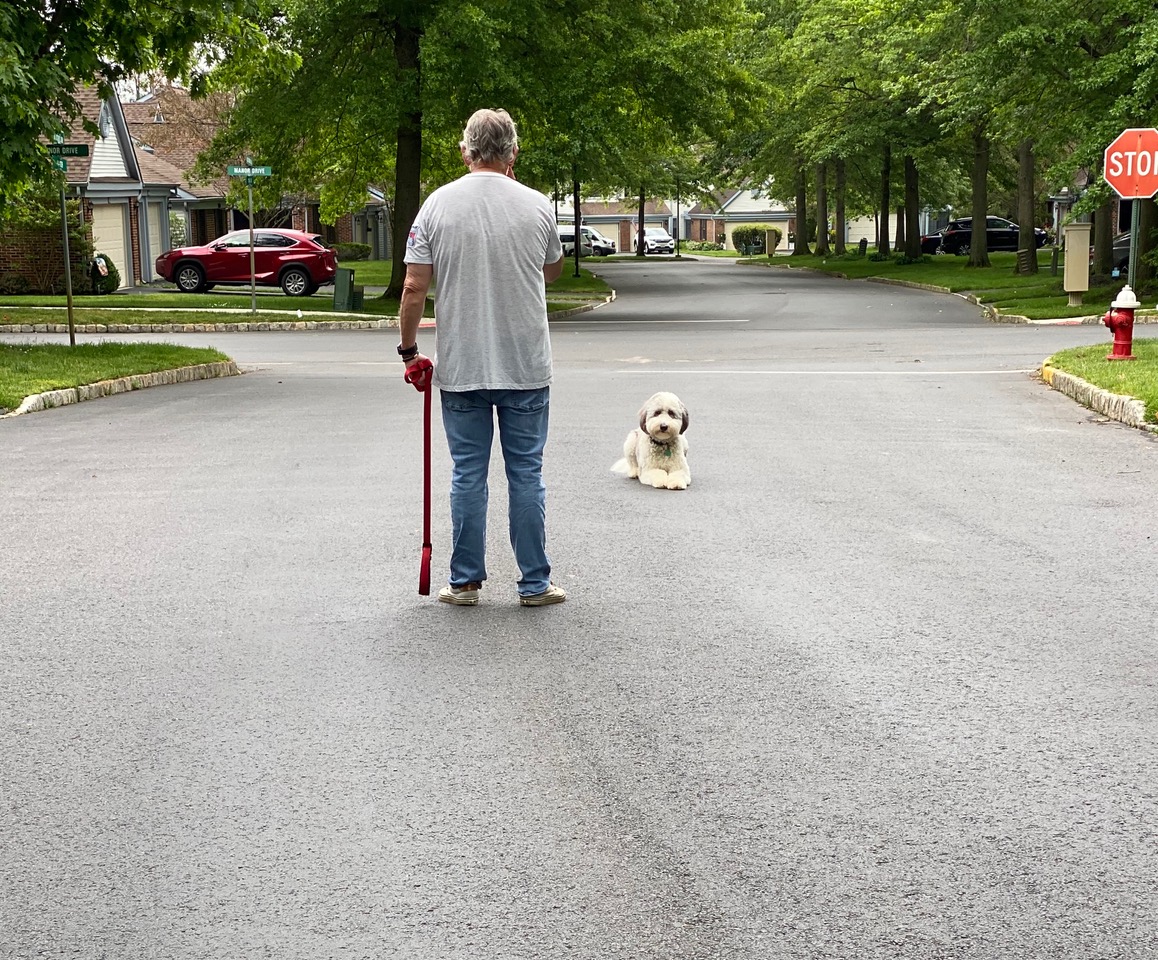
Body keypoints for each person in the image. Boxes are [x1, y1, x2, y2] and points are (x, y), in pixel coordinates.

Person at [398, 108, 566, 607]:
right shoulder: (538, 206)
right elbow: (552, 272)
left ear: (465, 151)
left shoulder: (436, 206)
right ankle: (534, 583)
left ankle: (466, 580)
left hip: (462, 365)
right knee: (526, 474)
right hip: (525, 366)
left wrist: (409, 351)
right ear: (513, 152)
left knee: (468, 473)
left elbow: (412, 286)